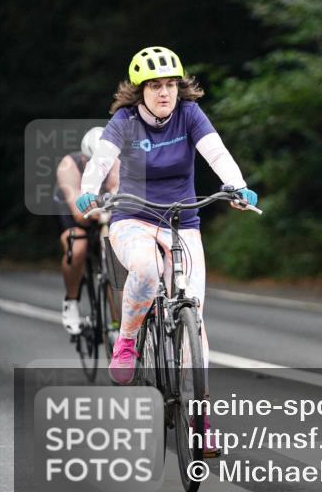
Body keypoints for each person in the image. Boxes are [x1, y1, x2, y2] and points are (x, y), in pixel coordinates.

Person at [76, 46, 257, 456]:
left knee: (195, 319)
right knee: (145, 269)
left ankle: (201, 422)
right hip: (133, 218)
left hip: (183, 221)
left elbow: (216, 152)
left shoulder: (189, 114)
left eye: (171, 85)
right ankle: (127, 341)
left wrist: (237, 186)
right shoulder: (124, 122)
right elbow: (101, 161)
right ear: (140, 90)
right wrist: (89, 191)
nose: (164, 93)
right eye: (155, 85)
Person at [55, 127, 119, 334]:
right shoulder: (68, 166)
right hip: (74, 211)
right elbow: (77, 212)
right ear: (84, 158)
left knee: (114, 253)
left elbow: (118, 191)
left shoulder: (116, 163)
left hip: (104, 210)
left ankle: (119, 323)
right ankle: (71, 301)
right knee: (77, 247)